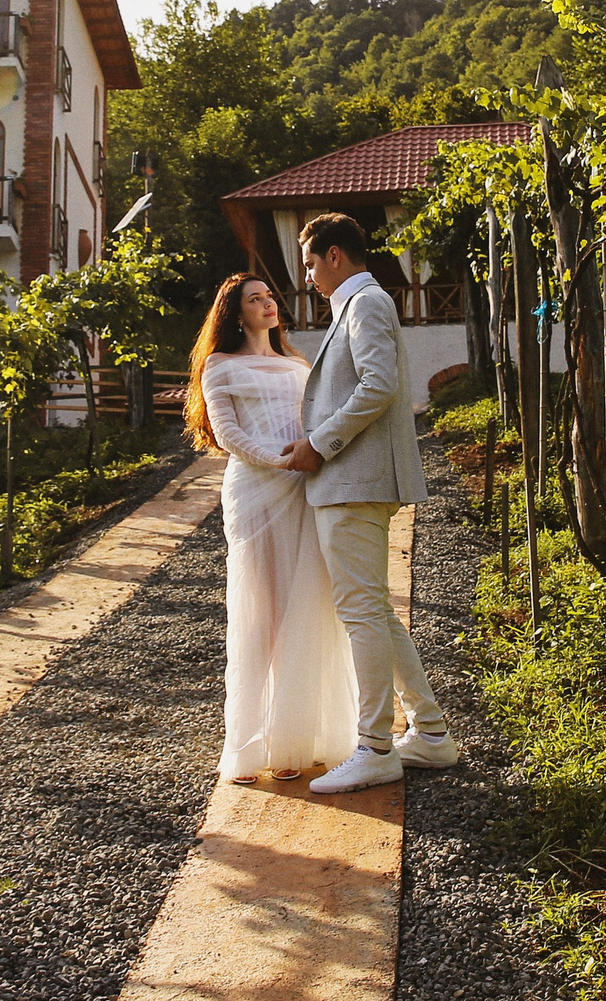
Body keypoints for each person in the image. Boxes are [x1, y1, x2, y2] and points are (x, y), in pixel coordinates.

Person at [279, 212, 460, 794]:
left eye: (309, 263)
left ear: (335, 255)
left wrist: (319, 443)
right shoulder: (356, 305)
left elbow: (379, 386)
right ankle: (429, 734)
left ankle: (375, 746)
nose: (307, 276)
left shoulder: (366, 303)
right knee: (374, 610)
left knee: (361, 613)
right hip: (353, 481)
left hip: (355, 479)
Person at [187, 272, 355, 784]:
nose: (267, 303)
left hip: (305, 487)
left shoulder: (298, 362)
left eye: (269, 296)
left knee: (308, 605)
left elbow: (317, 419)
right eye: (254, 299)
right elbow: (228, 432)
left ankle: (297, 740)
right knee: (262, 610)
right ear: (235, 313)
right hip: (258, 492)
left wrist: (313, 457)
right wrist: (278, 462)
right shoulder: (219, 364)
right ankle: (249, 744)